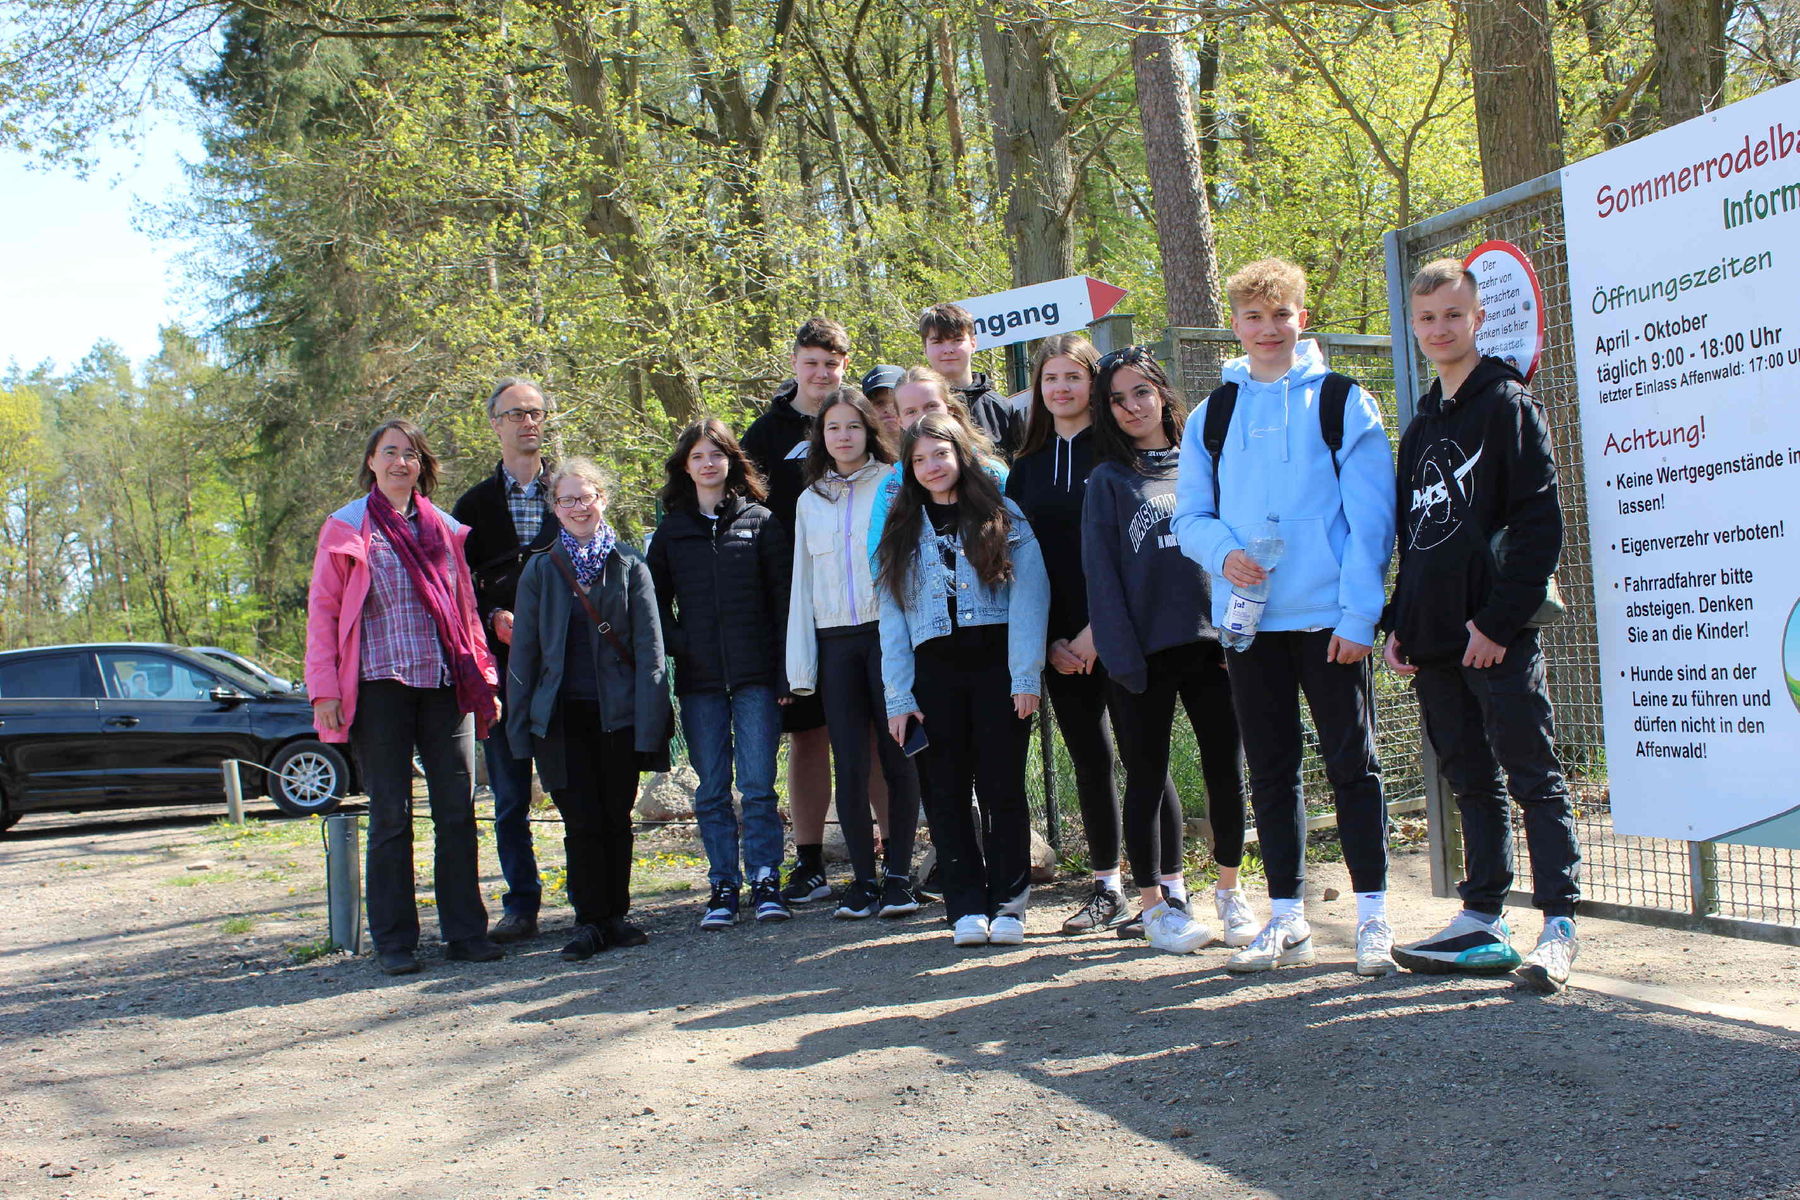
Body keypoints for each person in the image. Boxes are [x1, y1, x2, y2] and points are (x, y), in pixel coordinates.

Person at [1171, 258, 1398, 977]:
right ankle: (1287, 916)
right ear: (1235, 325)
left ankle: (1372, 918)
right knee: (1270, 772)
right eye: (1253, 317)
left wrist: (1360, 616)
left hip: (1330, 622)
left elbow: (1372, 521)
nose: (1268, 329)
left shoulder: (1342, 401)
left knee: (1352, 768)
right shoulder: (1215, 413)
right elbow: (1190, 518)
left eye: (1282, 315)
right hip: (1250, 629)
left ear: (1303, 318)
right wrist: (1224, 552)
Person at [1384, 259, 1582, 993]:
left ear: (1478, 319)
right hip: (1433, 640)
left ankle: (1558, 924)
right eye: (1428, 318)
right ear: (1415, 326)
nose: (1441, 329)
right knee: (1470, 779)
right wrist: (1399, 622)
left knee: (1533, 774)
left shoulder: (1509, 406)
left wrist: (1498, 622)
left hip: (1496, 634)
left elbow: (1539, 526)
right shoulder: (1422, 426)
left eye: (1453, 316)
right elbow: (1418, 537)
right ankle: (1483, 918)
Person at [304, 419, 502, 976]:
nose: (400, 462)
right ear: (371, 461)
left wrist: (484, 673)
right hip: (377, 686)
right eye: (389, 452)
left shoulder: (445, 528)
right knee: (390, 815)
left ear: (422, 465)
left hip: (444, 684)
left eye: (410, 454)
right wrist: (323, 690)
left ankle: (466, 933)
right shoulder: (345, 528)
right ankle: (395, 941)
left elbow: (464, 610)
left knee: (457, 812)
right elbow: (322, 615)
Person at [1083, 347, 1254, 954]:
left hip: (1216, 647)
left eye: (1142, 393)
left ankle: (1232, 895)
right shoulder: (1107, 480)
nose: (1132, 407)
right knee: (1147, 779)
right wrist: (1120, 657)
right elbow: (1101, 578)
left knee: (1225, 774)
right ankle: (1155, 907)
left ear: (1163, 393)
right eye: (1117, 399)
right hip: (1142, 656)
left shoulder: (1206, 463)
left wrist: (1242, 634)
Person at [877, 412, 1049, 948]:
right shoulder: (900, 528)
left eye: (941, 454)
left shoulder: (1002, 515)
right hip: (934, 676)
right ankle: (965, 906)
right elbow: (892, 617)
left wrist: (1025, 676)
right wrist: (899, 696)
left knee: (1002, 789)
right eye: (920, 458)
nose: (932, 466)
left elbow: (1030, 597)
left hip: (997, 667)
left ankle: (1009, 905)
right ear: (908, 467)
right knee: (945, 792)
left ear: (961, 456)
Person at [507, 457, 672, 961]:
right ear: (555, 509)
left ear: (603, 499)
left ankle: (615, 916)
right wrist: (518, 727)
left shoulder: (629, 565)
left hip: (618, 715)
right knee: (581, 820)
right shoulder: (539, 569)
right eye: (567, 499)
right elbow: (525, 655)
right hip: (561, 718)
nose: (578, 507)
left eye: (586, 496)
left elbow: (650, 649)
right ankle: (589, 920)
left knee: (616, 817)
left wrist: (652, 725)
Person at [648, 418, 795, 929]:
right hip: (700, 682)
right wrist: (682, 646)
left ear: (732, 461)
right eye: (697, 457)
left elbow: (784, 607)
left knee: (757, 785)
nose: (708, 464)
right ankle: (722, 885)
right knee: (711, 787)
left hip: (757, 678)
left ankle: (766, 879)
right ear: (684, 467)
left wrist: (783, 675)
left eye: (716, 454)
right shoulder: (671, 532)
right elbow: (653, 607)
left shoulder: (762, 522)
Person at [1002, 335, 1127, 934]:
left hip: (1122, 631)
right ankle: (1107, 886)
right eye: (1050, 379)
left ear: (1092, 383)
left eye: (1072, 377)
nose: (1061, 389)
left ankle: (1162, 889)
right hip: (1058, 646)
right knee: (1090, 759)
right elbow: (1018, 565)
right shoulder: (1024, 469)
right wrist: (1049, 640)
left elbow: (1138, 550)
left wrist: (1099, 632)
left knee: (1142, 756)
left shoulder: (1120, 451)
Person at [787, 387, 922, 919]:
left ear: (870, 430)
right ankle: (862, 880)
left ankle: (899, 876)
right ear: (821, 436)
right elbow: (801, 583)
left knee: (898, 756)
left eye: (853, 426)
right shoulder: (808, 500)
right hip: (835, 641)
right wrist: (800, 666)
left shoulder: (894, 486)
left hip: (886, 637)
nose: (843, 436)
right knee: (849, 760)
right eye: (833, 428)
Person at [740, 317, 848, 906]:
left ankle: (885, 856)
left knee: (876, 731)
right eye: (811, 363)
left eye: (831, 364)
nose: (820, 373)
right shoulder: (763, 434)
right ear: (795, 364)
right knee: (809, 737)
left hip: (858, 603)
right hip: (794, 605)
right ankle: (807, 861)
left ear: (843, 367)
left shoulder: (857, 420)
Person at [451, 376, 560, 944]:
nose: (528, 422)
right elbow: (456, 588)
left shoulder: (568, 491)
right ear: (494, 423)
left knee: (577, 788)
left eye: (536, 412)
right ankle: (522, 903)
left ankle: (596, 897)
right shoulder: (471, 507)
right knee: (511, 797)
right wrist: (492, 611)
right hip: (500, 674)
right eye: (515, 414)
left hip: (567, 670)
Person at [866, 367, 1007, 561]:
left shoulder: (991, 474)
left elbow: (1020, 545)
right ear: (899, 420)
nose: (923, 417)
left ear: (949, 408)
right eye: (911, 411)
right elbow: (879, 560)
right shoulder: (891, 488)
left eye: (931, 406)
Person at [918, 302, 1025, 459]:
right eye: (938, 342)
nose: (948, 349)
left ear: (973, 344)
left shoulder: (1000, 407)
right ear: (925, 349)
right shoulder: (915, 407)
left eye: (956, 340)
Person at [859, 364, 906, 440]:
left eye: (895, 402)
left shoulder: (929, 445)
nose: (887, 409)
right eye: (879, 403)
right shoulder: (857, 449)